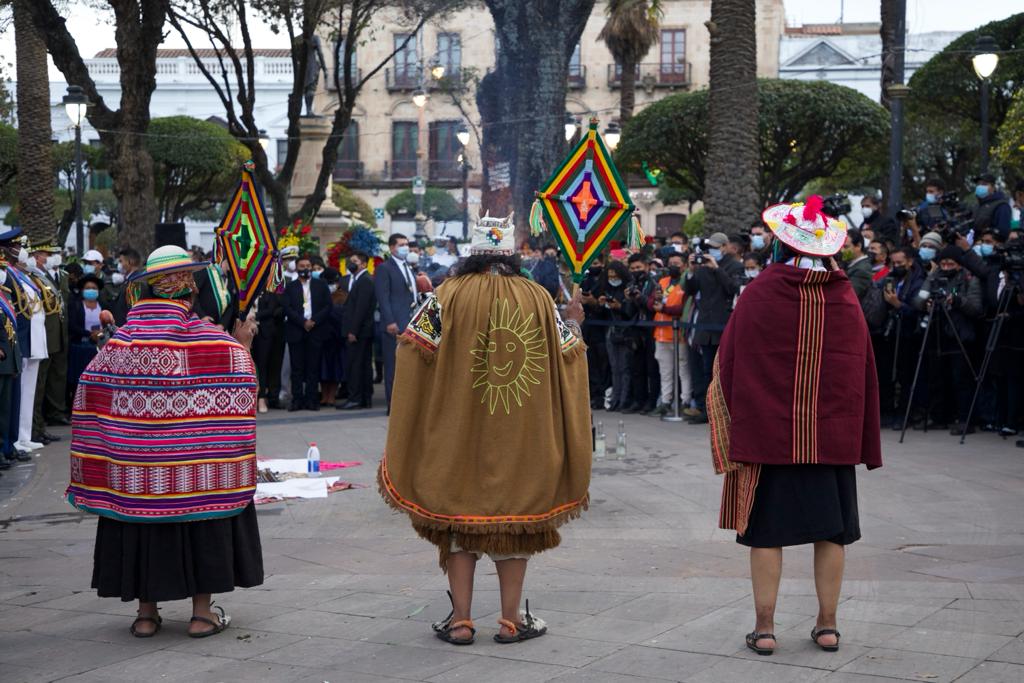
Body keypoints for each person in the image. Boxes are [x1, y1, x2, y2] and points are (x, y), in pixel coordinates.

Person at [378, 214, 590, 645]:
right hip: (521, 434)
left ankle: (461, 622)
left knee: (460, 525)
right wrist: (573, 321)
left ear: (472, 254)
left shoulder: (446, 295)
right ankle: (511, 622)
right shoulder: (537, 297)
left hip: (458, 431)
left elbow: (412, 351)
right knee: (515, 526)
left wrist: (432, 398)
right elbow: (569, 353)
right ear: (511, 255)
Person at [709, 195, 882, 657]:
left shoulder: (760, 292)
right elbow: (861, 367)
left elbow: (729, 359)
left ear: (780, 244)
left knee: (766, 534)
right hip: (830, 437)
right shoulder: (844, 296)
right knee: (832, 533)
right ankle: (828, 626)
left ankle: (765, 630)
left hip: (770, 437)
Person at [67, 245, 262, 638]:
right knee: (204, 521)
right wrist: (243, 343)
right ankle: (202, 615)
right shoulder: (213, 341)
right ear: (189, 289)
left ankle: (145, 615)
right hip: (197, 474)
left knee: (141, 525)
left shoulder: (122, 343)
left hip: (138, 475)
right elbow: (243, 385)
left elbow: (89, 391)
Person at [914, 246, 984, 435]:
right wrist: (927, 302)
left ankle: (965, 419)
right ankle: (939, 417)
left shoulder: (969, 278)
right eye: (943, 264)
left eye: (950, 264)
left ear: (959, 264)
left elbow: (976, 308)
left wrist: (957, 300)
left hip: (960, 335)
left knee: (961, 379)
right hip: (937, 332)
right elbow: (918, 300)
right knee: (937, 378)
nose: (945, 267)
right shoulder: (934, 277)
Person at [684, 232, 743, 424]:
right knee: (705, 370)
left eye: (717, 247)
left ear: (725, 247)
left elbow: (733, 288)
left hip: (723, 325)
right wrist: (691, 270)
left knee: (723, 371)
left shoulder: (734, 265)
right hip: (704, 326)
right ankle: (705, 409)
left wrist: (716, 268)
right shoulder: (702, 267)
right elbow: (690, 290)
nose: (713, 251)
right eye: (711, 247)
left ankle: (723, 411)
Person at [283, 256, 332, 411]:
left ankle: (312, 399)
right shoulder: (290, 287)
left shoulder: (320, 285)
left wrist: (314, 321)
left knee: (313, 367)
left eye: (308, 265)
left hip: (315, 330)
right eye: (302, 266)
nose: (305, 268)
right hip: (296, 330)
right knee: (296, 368)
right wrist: (302, 322)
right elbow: (287, 308)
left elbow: (327, 306)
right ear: (296, 268)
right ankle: (297, 399)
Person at [374, 234, 416, 410]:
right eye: (401, 245)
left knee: (407, 366)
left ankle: (407, 404)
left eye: (407, 244)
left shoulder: (408, 266)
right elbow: (383, 297)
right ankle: (393, 405)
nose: (405, 247)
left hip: (410, 322)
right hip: (395, 325)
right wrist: (390, 321)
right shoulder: (385, 268)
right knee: (393, 366)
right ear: (392, 248)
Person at [0, 228, 29, 470]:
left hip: (11, 357)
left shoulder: (6, 294)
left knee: (9, 407)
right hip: (2, 357)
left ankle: (7, 446)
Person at [648, 251, 690, 416]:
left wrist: (665, 308)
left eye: (677, 264)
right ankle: (665, 402)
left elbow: (684, 307)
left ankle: (685, 402)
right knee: (665, 372)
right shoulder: (662, 281)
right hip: (661, 334)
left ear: (684, 266)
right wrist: (655, 301)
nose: (673, 266)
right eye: (671, 263)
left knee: (683, 370)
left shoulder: (686, 283)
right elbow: (651, 302)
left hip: (679, 335)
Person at [340, 252, 376, 410]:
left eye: (354, 261)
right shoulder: (360, 280)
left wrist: (353, 331)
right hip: (361, 331)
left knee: (356, 365)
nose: (351, 263)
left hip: (359, 332)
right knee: (361, 364)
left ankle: (355, 398)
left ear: (363, 264)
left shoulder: (365, 281)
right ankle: (363, 398)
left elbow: (361, 309)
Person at [67, 274, 104, 401]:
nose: (91, 290)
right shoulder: (76, 305)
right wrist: (89, 334)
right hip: (80, 348)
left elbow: (109, 324)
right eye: (88, 288)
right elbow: (72, 325)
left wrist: (100, 334)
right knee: (78, 380)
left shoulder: (103, 305)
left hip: (98, 349)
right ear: (82, 290)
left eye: (94, 288)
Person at [252, 287, 285, 413]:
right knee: (250, 365)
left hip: (264, 332)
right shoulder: (246, 288)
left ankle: (263, 397)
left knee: (263, 365)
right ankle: (253, 397)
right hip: (246, 330)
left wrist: (254, 316)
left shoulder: (270, 290)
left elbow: (271, 309)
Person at [972, 173, 1012, 240]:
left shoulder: (1001, 206)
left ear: (993, 188)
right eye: (978, 184)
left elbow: (1003, 232)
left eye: (984, 184)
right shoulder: (976, 206)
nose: (980, 187)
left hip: (990, 244)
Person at [841, 229, 872, 300]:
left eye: (846, 247)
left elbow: (848, 294)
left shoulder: (863, 269)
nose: (842, 250)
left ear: (858, 246)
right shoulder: (849, 262)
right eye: (841, 247)